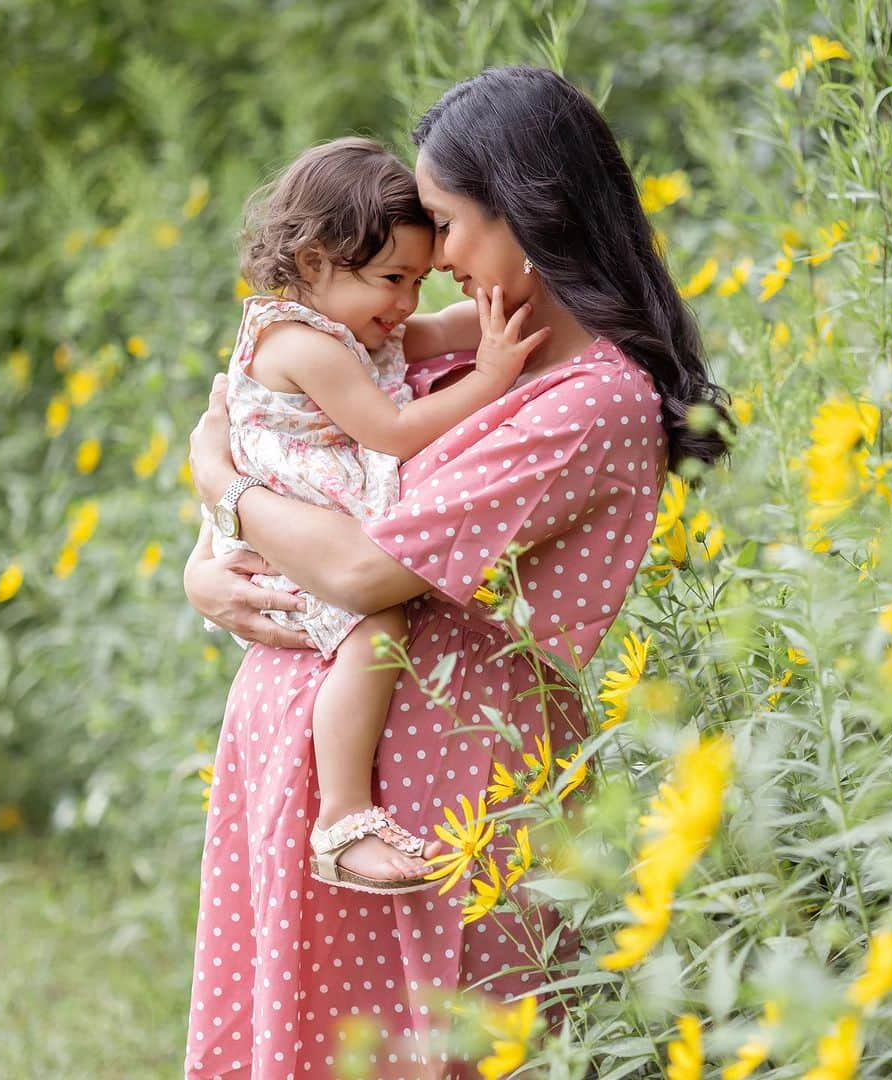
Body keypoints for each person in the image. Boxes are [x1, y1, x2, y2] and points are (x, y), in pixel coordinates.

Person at [184, 66, 728, 1079]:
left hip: (452, 792)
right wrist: (205, 561)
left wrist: (217, 488)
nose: (432, 257)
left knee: (442, 1050)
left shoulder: (588, 403)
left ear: (528, 216)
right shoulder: (445, 352)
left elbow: (354, 565)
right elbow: (295, 450)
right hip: (306, 761)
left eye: (445, 223)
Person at [204, 137, 550, 895]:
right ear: (314, 259)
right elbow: (390, 433)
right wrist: (491, 378)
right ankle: (343, 817)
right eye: (393, 279)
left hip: (307, 508)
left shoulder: (354, 327)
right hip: (302, 520)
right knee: (378, 627)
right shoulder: (303, 343)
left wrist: (512, 303)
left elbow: (440, 332)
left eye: (420, 281)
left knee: (380, 619)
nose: (406, 305)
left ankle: (344, 813)